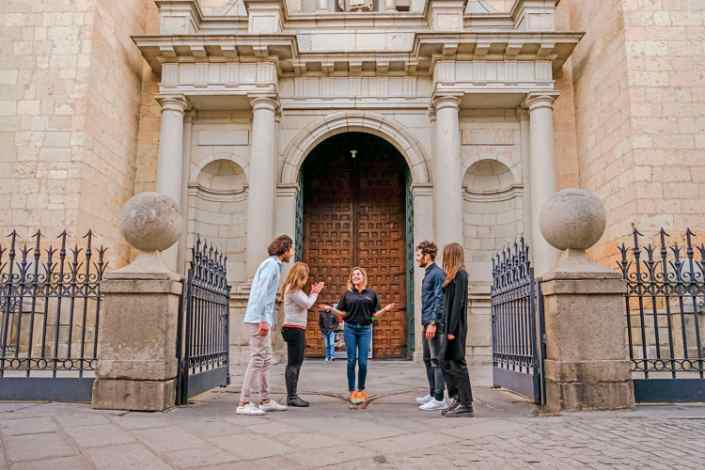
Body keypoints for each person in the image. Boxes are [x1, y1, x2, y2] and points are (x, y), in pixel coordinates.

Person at [237, 235, 294, 416]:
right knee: (257, 359)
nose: (292, 253)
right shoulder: (271, 265)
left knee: (265, 359)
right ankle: (244, 402)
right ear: (285, 250)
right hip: (258, 319)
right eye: (291, 249)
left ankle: (265, 399)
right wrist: (263, 320)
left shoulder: (272, 265)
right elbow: (261, 294)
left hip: (262, 318)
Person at [319, 267, 394, 404]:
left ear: (363, 277)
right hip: (350, 329)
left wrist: (385, 310)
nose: (355, 276)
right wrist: (330, 309)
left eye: (358, 274)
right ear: (351, 279)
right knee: (351, 361)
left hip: (365, 329)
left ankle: (361, 389)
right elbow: (342, 313)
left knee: (363, 362)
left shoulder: (371, 294)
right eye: (353, 274)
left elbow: (375, 316)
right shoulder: (347, 294)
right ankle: (352, 390)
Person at [281, 262, 325, 407]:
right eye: (304, 277)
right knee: (294, 363)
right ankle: (292, 397)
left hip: (294, 328)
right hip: (294, 329)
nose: (306, 280)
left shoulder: (293, 289)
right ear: (299, 276)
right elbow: (307, 304)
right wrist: (315, 293)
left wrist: (312, 293)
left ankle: (292, 395)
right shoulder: (293, 290)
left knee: (296, 362)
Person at [439, 242, 474, 417]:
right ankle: (457, 398)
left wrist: (451, 330)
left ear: (451, 255)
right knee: (445, 361)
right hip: (449, 326)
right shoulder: (452, 275)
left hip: (456, 327)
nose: (443, 258)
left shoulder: (461, 275)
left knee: (457, 363)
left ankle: (466, 404)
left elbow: (458, 304)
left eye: (446, 255)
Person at [415, 240, 448, 412]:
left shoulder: (437, 274)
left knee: (436, 361)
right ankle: (432, 393)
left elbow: (439, 299)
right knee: (428, 360)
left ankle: (440, 398)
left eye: (419, 255)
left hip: (434, 324)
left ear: (427, 255)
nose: (417, 259)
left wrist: (433, 322)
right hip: (427, 322)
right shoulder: (429, 273)